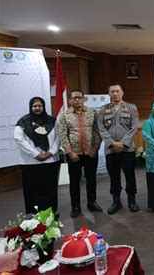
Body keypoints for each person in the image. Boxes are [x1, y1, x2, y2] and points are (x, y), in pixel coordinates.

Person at [58, 90, 103, 218]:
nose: (77, 100)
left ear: (83, 99)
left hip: (90, 153)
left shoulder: (92, 113)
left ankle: (92, 202)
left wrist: (95, 148)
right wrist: (70, 152)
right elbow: (62, 135)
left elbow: (97, 132)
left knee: (91, 180)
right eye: (74, 98)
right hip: (74, 155)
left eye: (80, 98)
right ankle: (76, 206)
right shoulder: (65, 115)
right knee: (74, 181)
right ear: (70, 100)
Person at [97, 84, 140, 215]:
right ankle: (116, 201)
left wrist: (122, 143)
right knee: (114, 177)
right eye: (112, 92)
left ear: (122, 93)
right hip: (111, 150)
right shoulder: (103, 110)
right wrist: (112, 143)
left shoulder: (131, 108)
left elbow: (134, 128)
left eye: (117, 91)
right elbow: (101, 128)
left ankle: (132, 201)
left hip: (127, 150)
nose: (115, 94)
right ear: (109, 94)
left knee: (130, 176)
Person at [14, 97, 60, 214]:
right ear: (31, 107)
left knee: (50, 188)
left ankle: (51, 213)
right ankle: (35, 215)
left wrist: (50, 153)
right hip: (30, 162)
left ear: (43, 106)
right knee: (33, 189)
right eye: (35, 106)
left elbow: (58, 138)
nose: (37, 108)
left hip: (51, 161)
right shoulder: (23, 122)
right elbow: (19, 139)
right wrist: (36, 154)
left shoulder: (52, 121)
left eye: (40, 106)